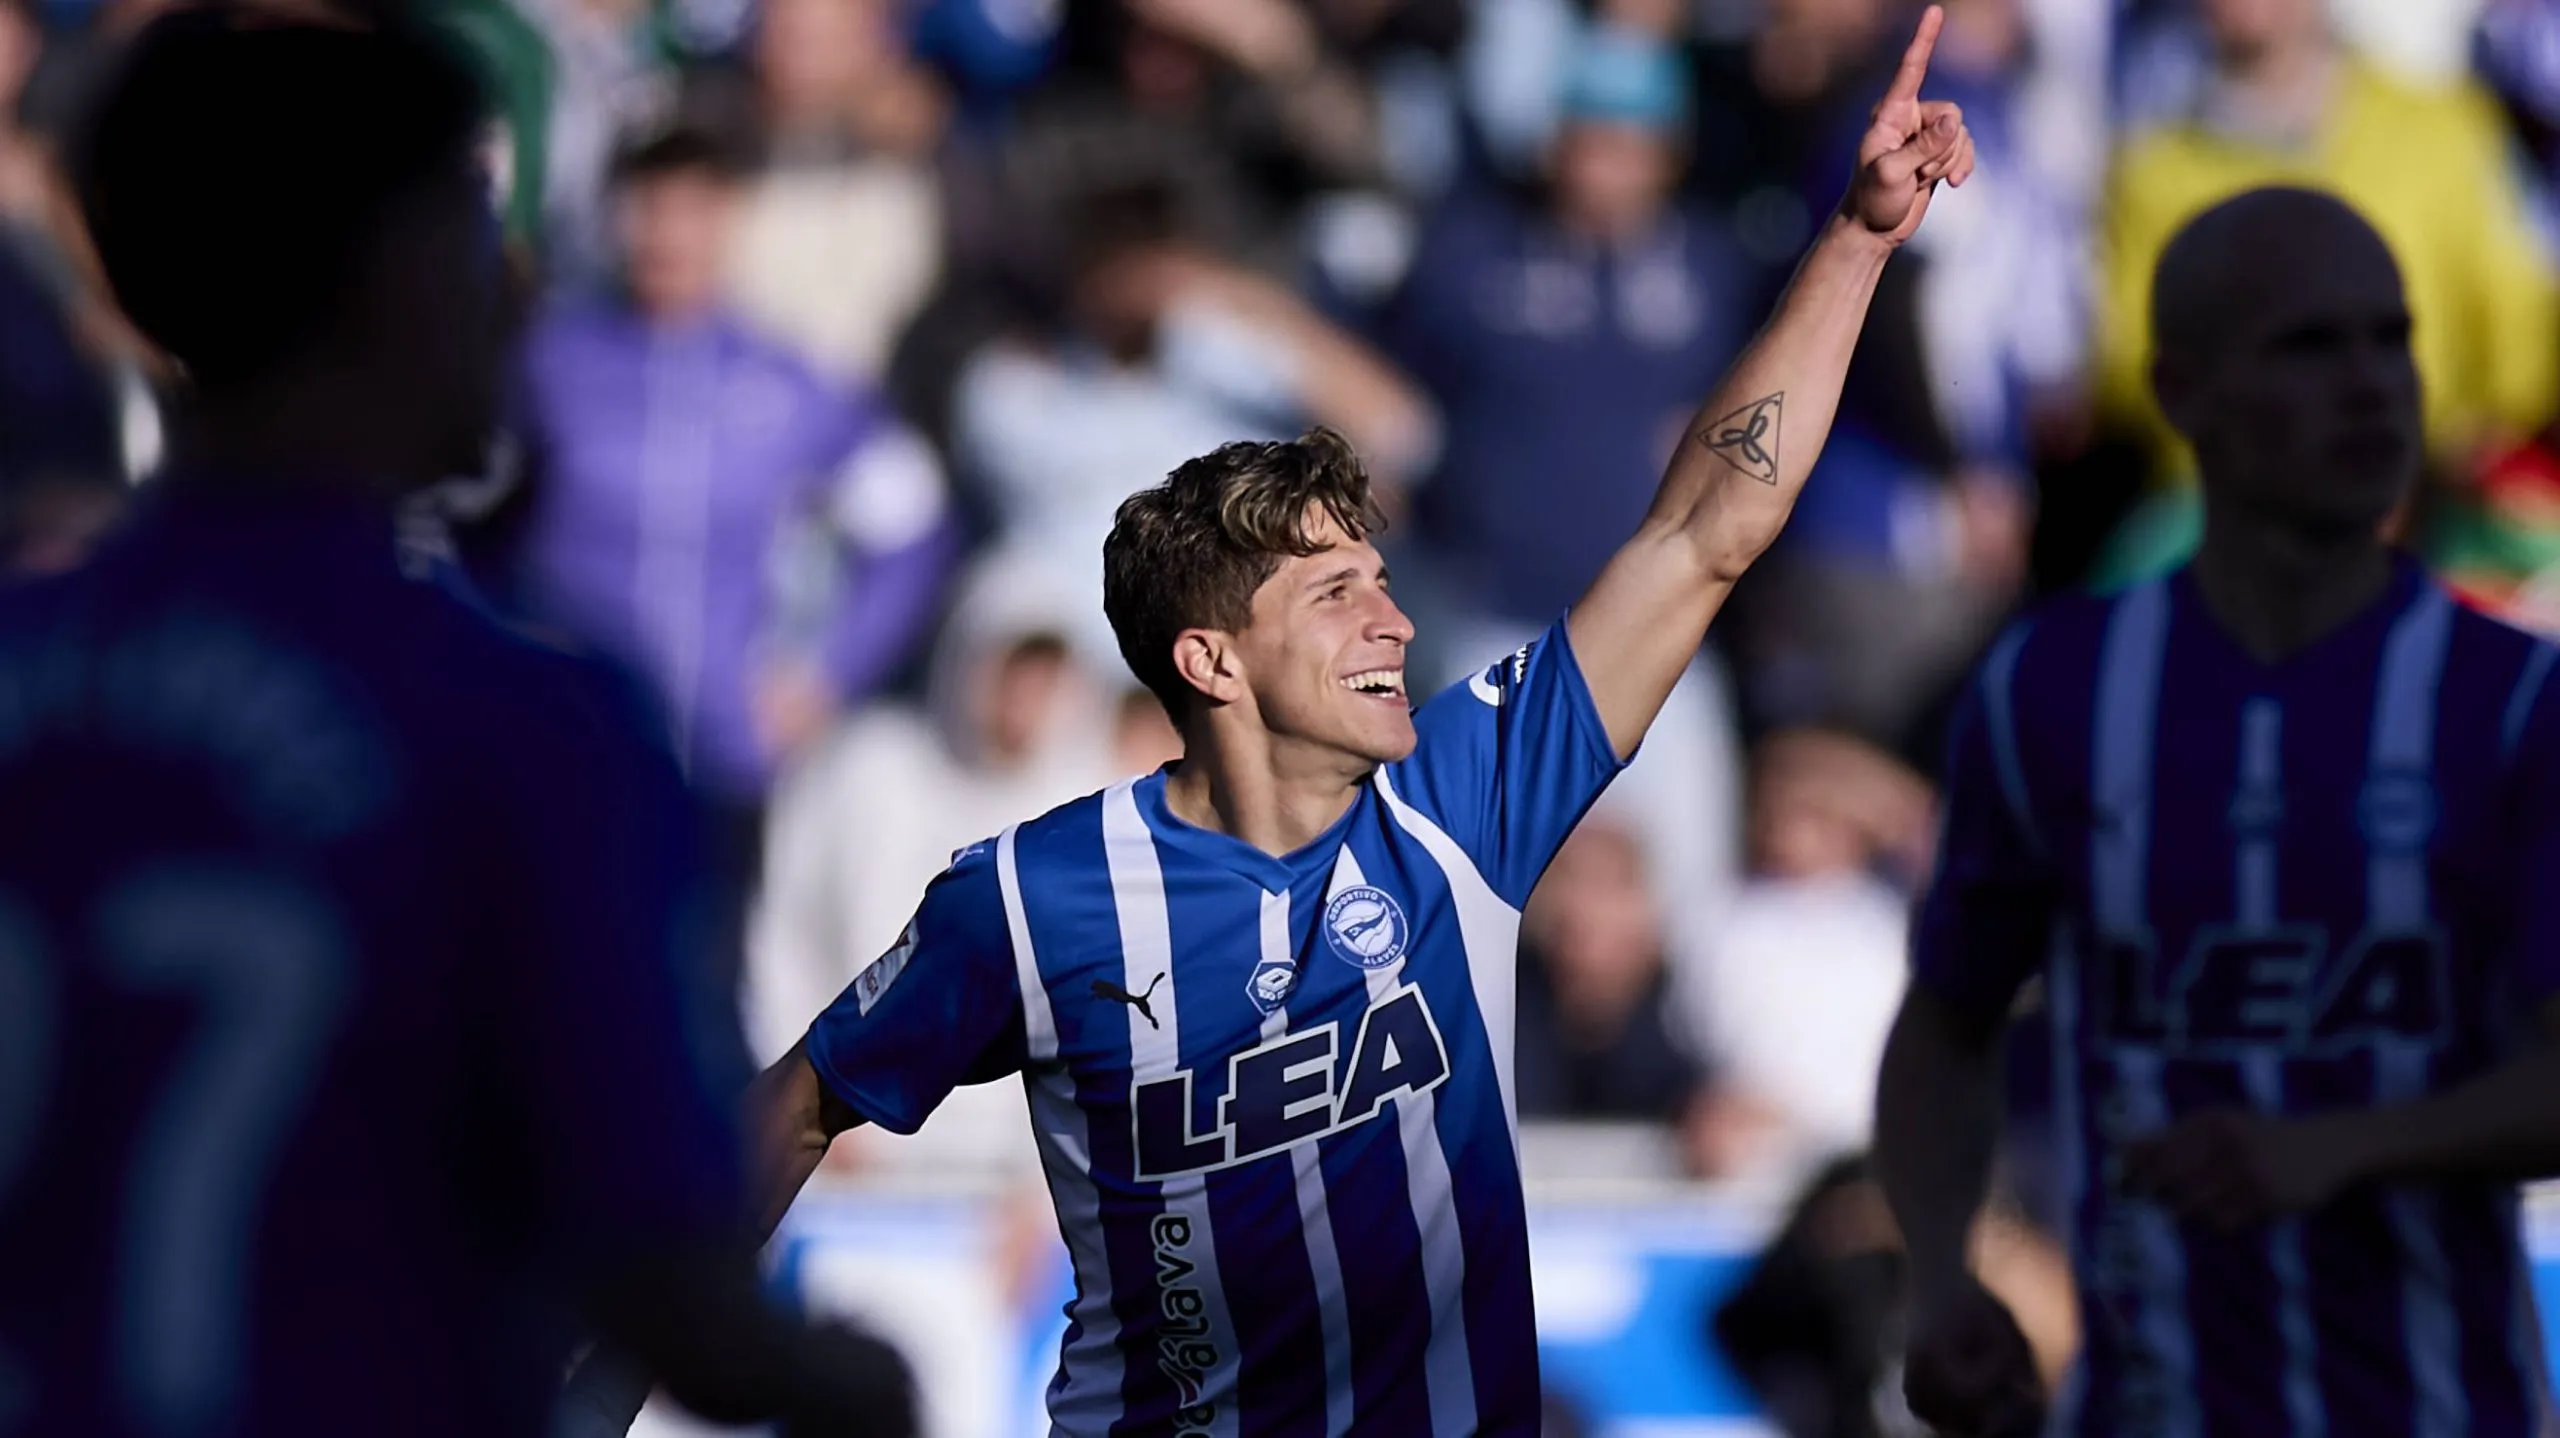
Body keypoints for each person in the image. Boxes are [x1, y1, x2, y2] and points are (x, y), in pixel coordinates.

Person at [717, 10, 1974, 1434]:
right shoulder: (1034, 895)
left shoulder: (1461, 798)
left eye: (1382, 580)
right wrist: (638, 1357)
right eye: (1335, 594)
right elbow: (804, 1100)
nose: (1390, 619)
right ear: (1212, 658)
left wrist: (1860, 242)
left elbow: (1700, 532)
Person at [0, 11, 910, 1436]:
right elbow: (664, 1276)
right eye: (478, 228)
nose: (516, 293)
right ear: (395, 276)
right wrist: (863, 1382)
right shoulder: (525, 735)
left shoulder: (30, 663)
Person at [1877, 186, 2560, 1438]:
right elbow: (1945, 1023)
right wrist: (1936, 1276)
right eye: (2308, 345)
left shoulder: (2516, 704)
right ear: (2182, 392)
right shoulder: (2054, 691)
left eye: (2388, 338)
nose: (2369, 384)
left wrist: (2341, 1147)